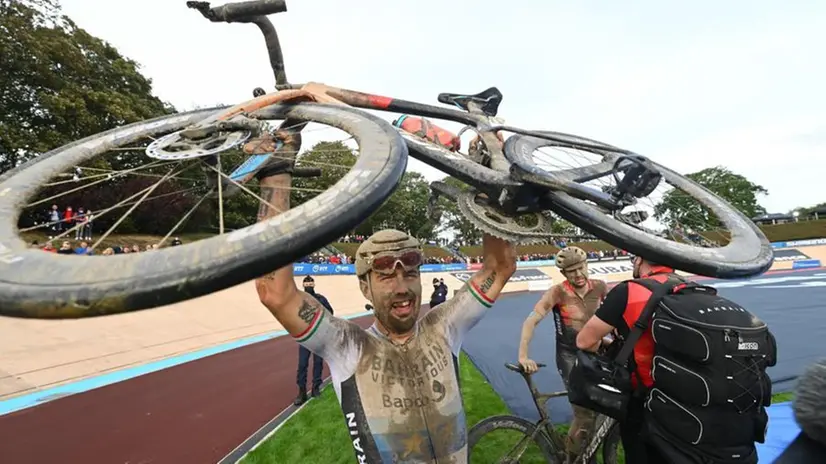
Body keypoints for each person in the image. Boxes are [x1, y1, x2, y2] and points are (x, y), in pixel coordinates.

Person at [251, 130, 517, 464]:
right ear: (365, 287)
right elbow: (274, 292)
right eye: (386, 275)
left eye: (410, 272)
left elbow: (501, 265)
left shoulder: (444, 327)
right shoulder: (347, 345)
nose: (402, 286)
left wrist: (489, 185)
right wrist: (276, 175)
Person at [517, 246, 608, 459]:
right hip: (570, 357)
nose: (578, 274)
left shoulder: (600, 287)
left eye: (581, 268)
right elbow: (531, 320)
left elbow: (613, 318)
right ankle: (573, 458)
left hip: (597, 353)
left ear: (587, 265)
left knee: (605, 406)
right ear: (563, 274)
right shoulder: (558, 292)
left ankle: (585, 450)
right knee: (584, 414)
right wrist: (523, 355)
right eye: (571, 271)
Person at [294, 275, 334, 406]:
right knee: (302, 364)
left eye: (311, 282)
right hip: (305, 336)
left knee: (318, 362)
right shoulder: (298, 299)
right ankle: (302, 391)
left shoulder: (321, 299)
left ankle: (316, 388)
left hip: (318, 335)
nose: (309, 284)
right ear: (303, 285)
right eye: (306, 283)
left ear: (314, 284)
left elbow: (330, 312)